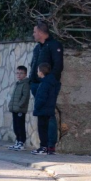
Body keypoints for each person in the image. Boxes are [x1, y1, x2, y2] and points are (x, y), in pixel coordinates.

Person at [29, 21, 64, 155]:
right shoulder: (37, 48)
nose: (33, 34)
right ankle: (43, 145)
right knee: (41, 115)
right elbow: (33, 65)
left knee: (49, 115)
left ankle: (50, 146)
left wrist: (49, 82)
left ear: (41, 32)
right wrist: (31, 82)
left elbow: (58, 66)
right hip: (36, 85)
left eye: (35, 31)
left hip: (48, 85)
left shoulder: (54, 45)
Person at [31, 63, 60, 155]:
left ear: (41, 72)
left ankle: (43, 147)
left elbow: (41, 97)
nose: (37, 73)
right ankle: (48, 147)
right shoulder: (51, 82)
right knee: (47, 128)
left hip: (43, 110)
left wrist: (37, 106)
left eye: (38, 71)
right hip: (49, 109)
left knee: (42, 129)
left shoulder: (45, 83)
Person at [8, 65, 30, 150]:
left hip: (20, 109)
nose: (19, 75)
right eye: (17, 73)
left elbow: (25, 96)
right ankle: (17, 140)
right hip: (15, 109)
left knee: (20, 126)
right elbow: (14, 96)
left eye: (21, 73)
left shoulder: (25, 84)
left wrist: (20, 105)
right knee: (15, 126)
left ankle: (21, 142)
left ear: (25, 74)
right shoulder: (17, 84)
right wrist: (11, 105)